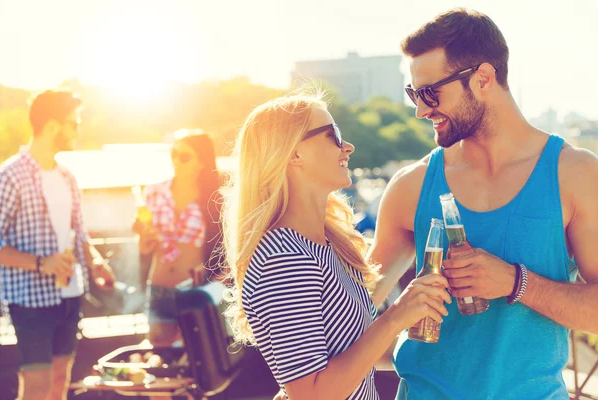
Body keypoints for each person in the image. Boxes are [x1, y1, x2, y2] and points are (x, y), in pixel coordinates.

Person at [368, 8, 598, 400]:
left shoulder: (575, 174)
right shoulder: (412, 185)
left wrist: (514, 282)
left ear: (484, 78)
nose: (421, 109)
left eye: (429, 93)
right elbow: (358, 305)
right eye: (414, 95)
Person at [221, 92, 451, 400]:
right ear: (293, 153)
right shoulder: (283, 257)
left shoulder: (324, 246)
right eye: (333, 135)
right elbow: (312, 394)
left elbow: (349, 357)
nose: (348, 146)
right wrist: (396, 316)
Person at [0, 89, 116, 400]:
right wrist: (42, 263)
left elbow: (79, 234)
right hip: (31, 301)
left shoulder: (68, 177)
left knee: (59, 383)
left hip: (70, 295)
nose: (79, 129)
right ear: (52, 125)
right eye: (74, 122)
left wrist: (94, 262)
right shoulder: (9, 176)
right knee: (36, 388)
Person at [133, 130, 224, 349]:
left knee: (196, 358)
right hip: (159, 286)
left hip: (196, 290)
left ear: (202, 162)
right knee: (160, 354)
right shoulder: (154, 192)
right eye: (173, 154)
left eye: (184, 157)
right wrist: (144, 240)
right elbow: (144, 248)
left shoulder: (215, 199)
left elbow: (229, 250)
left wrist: (216, 288)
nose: (176, 160)